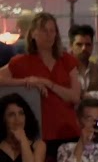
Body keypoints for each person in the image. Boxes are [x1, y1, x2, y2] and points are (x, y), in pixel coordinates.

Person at [0, 12, 82, 150]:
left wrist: (47, 83)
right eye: (44, 30)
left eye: (52, 30)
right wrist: (26, 81)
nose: (49, 35)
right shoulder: (21, 62)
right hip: (39, 134)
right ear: (33, 33)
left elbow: (75, 97)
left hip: (68, 130)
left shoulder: (66, 60)